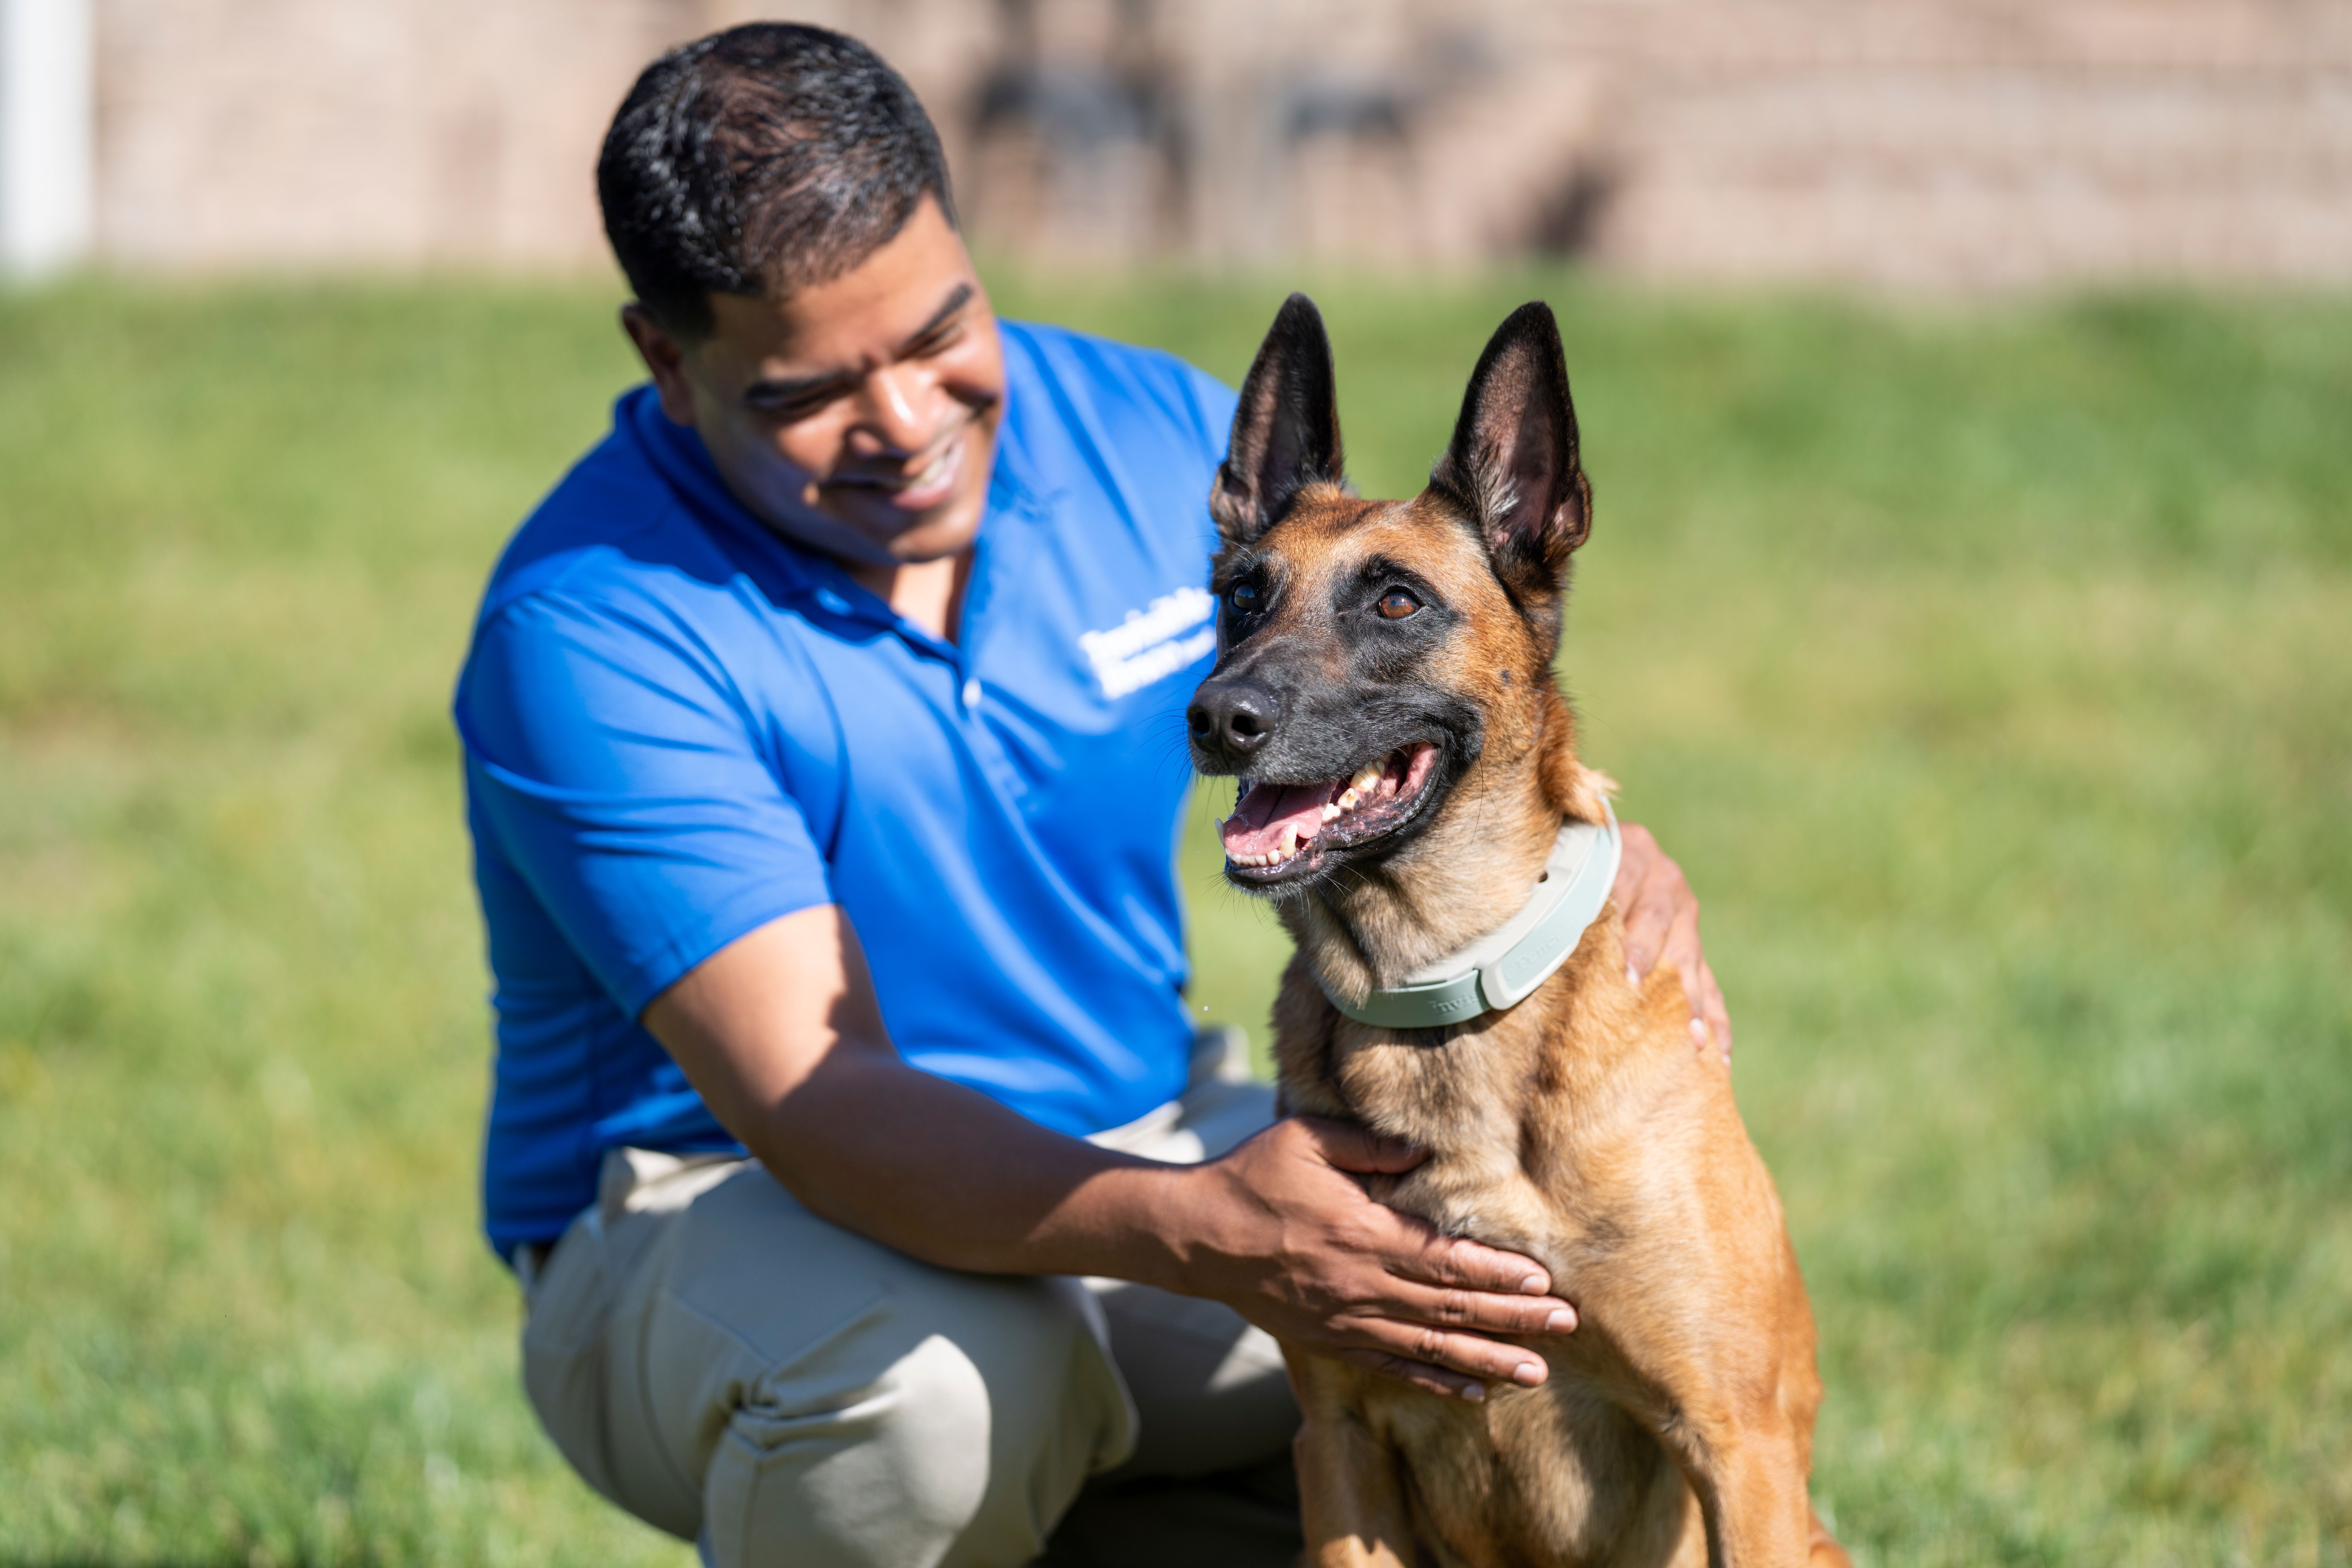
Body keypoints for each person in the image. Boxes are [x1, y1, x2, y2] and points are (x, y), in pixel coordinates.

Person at [452, 22, 1733, 1568]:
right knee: (940, 1397)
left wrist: (1601, 857)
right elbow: (823, 1099)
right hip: (718, 1200)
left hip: (1142, 1123)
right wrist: (1225, 1236)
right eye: (812, 392)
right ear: (670, 360)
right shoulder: (595, 627)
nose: (909, 427)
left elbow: (1450, 665)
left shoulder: (1150, 441)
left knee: (1537, 1288)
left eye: (940, 335)